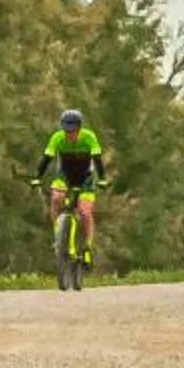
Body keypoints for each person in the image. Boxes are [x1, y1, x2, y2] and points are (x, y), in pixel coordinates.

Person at [39, 109, 107, 265]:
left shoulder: (89, 137)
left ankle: (88, 246)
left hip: (86, 177)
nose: (69, 135)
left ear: (79, 128)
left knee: (84, 212)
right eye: (66, 131)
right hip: (65, 175)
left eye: (72, 131)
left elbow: (97, 159)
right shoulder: (57, 138)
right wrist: (38, 177)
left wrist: (102, 179)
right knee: (56, 198)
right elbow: (46, 159)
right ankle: (58, 236)